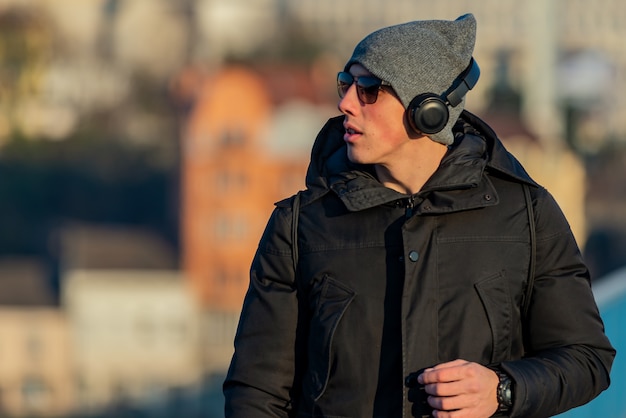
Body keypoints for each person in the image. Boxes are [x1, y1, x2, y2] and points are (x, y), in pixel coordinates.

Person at [223, 13, 615, 417]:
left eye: (369, 89)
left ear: (428, 109)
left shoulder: (526, 214)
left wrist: (502, 390)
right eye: (346, 84)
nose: (345, 103)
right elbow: (256, 392)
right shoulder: (300, 225)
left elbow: (586, 359)